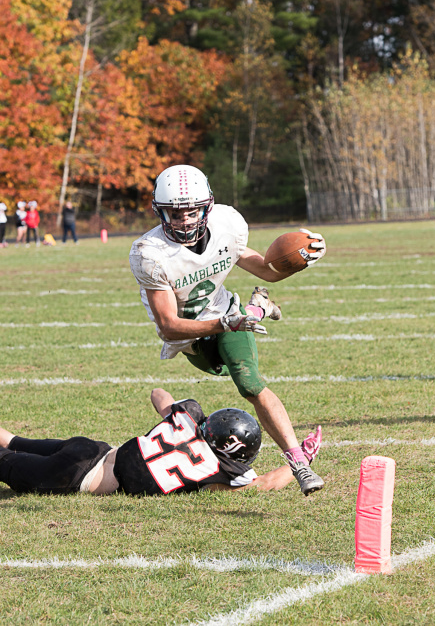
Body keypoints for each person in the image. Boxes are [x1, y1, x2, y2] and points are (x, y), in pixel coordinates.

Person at [128, 165, 327, 495]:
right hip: (191, 338)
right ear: (159, 211)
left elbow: (267, 270)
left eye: (192, 212)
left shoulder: (227, 224)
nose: (185, 221)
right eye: (175, 214)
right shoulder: (150, 253)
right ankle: (259, 307)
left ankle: (300, 465)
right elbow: (168, 327)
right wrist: (225, 322)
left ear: (207, 207)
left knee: (249, 382)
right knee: (224, 356)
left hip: (227, 314)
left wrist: (300, 258)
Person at [0, 389, 321, 496]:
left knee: (16, 440)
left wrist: (182, 413)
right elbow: (266, 483)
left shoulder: (188, 421)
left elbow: (158, 394)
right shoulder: (221, 473)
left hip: (93, 449)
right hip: (81, 477)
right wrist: (302, 456)